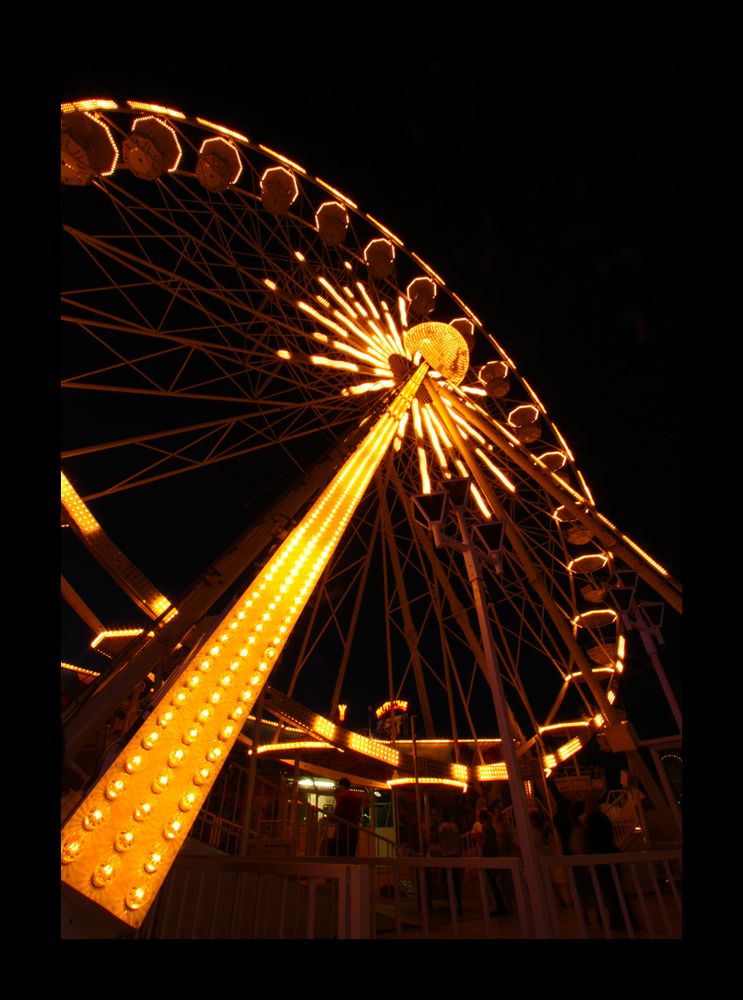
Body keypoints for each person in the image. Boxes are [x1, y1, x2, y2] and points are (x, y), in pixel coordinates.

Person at [478, 809, 508, 916]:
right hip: (495, 854)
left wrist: (479, 841)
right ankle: (501, 905)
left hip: (489, 856)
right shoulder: (491, 826)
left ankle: (500, 906)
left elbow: (486, 844)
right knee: (496, 883)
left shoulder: (485, 827)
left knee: (493, 883)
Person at [438, 811, 464, 916]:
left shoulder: (442, 828)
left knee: (446, 880)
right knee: (456, 881)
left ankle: (450, 903)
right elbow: (459, 839)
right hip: (456, 854)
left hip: (446, 855)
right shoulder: (455, 827)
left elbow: (440, 840)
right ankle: (459, 904)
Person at [328, 778, 362, 856]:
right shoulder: (356, 797)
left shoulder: (341, 796)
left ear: (342, 785)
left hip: (342, 832)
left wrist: (331, 818)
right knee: (350, 855)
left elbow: (338, 812)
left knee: (336, 854)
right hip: (353, 832)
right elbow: (359, 814)